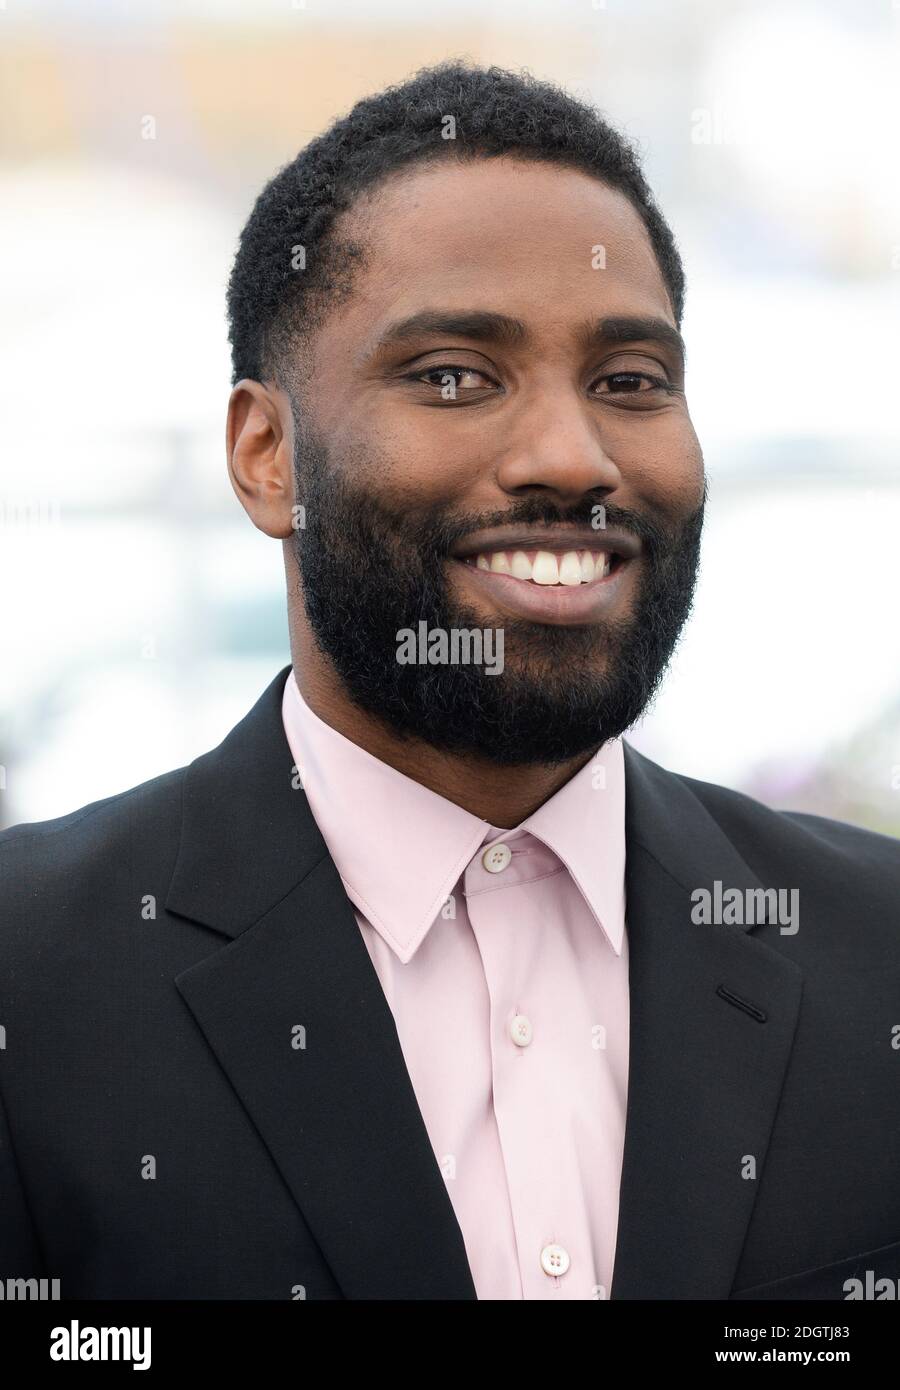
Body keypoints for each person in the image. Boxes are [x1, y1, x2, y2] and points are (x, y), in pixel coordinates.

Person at [1, 61, 898, 1302]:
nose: (571, 458)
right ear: (267, 457)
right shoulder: (31, 976)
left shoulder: (878, 946)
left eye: (630, 382)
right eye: (454, 377)